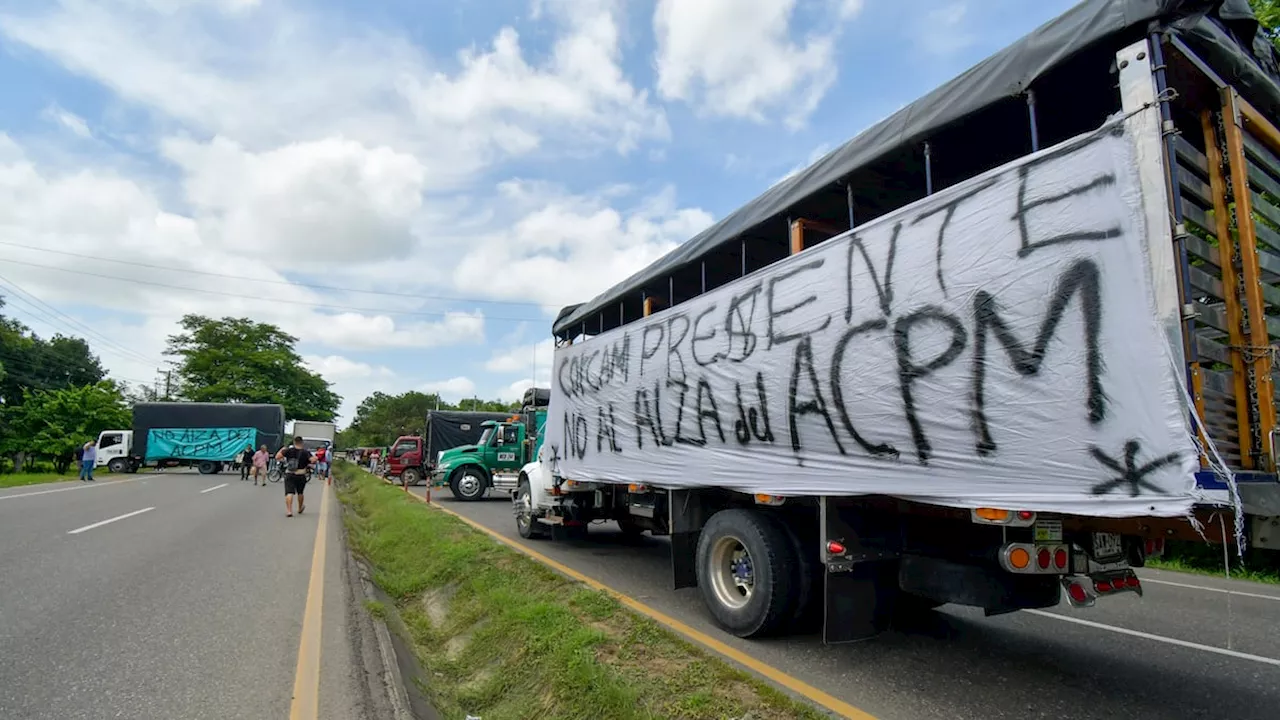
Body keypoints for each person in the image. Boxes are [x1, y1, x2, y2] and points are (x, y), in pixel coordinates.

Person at [275, 436, 313, 517]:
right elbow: (313, 460)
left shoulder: (288, 450)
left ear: (294, 442)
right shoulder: (305, 452)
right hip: (301, 474)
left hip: (290, 474)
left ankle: (289, 511)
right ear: (302, 443)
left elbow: (277, 457)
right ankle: (300, 508)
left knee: (289, 492)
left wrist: (282, 449)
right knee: (300, 492)